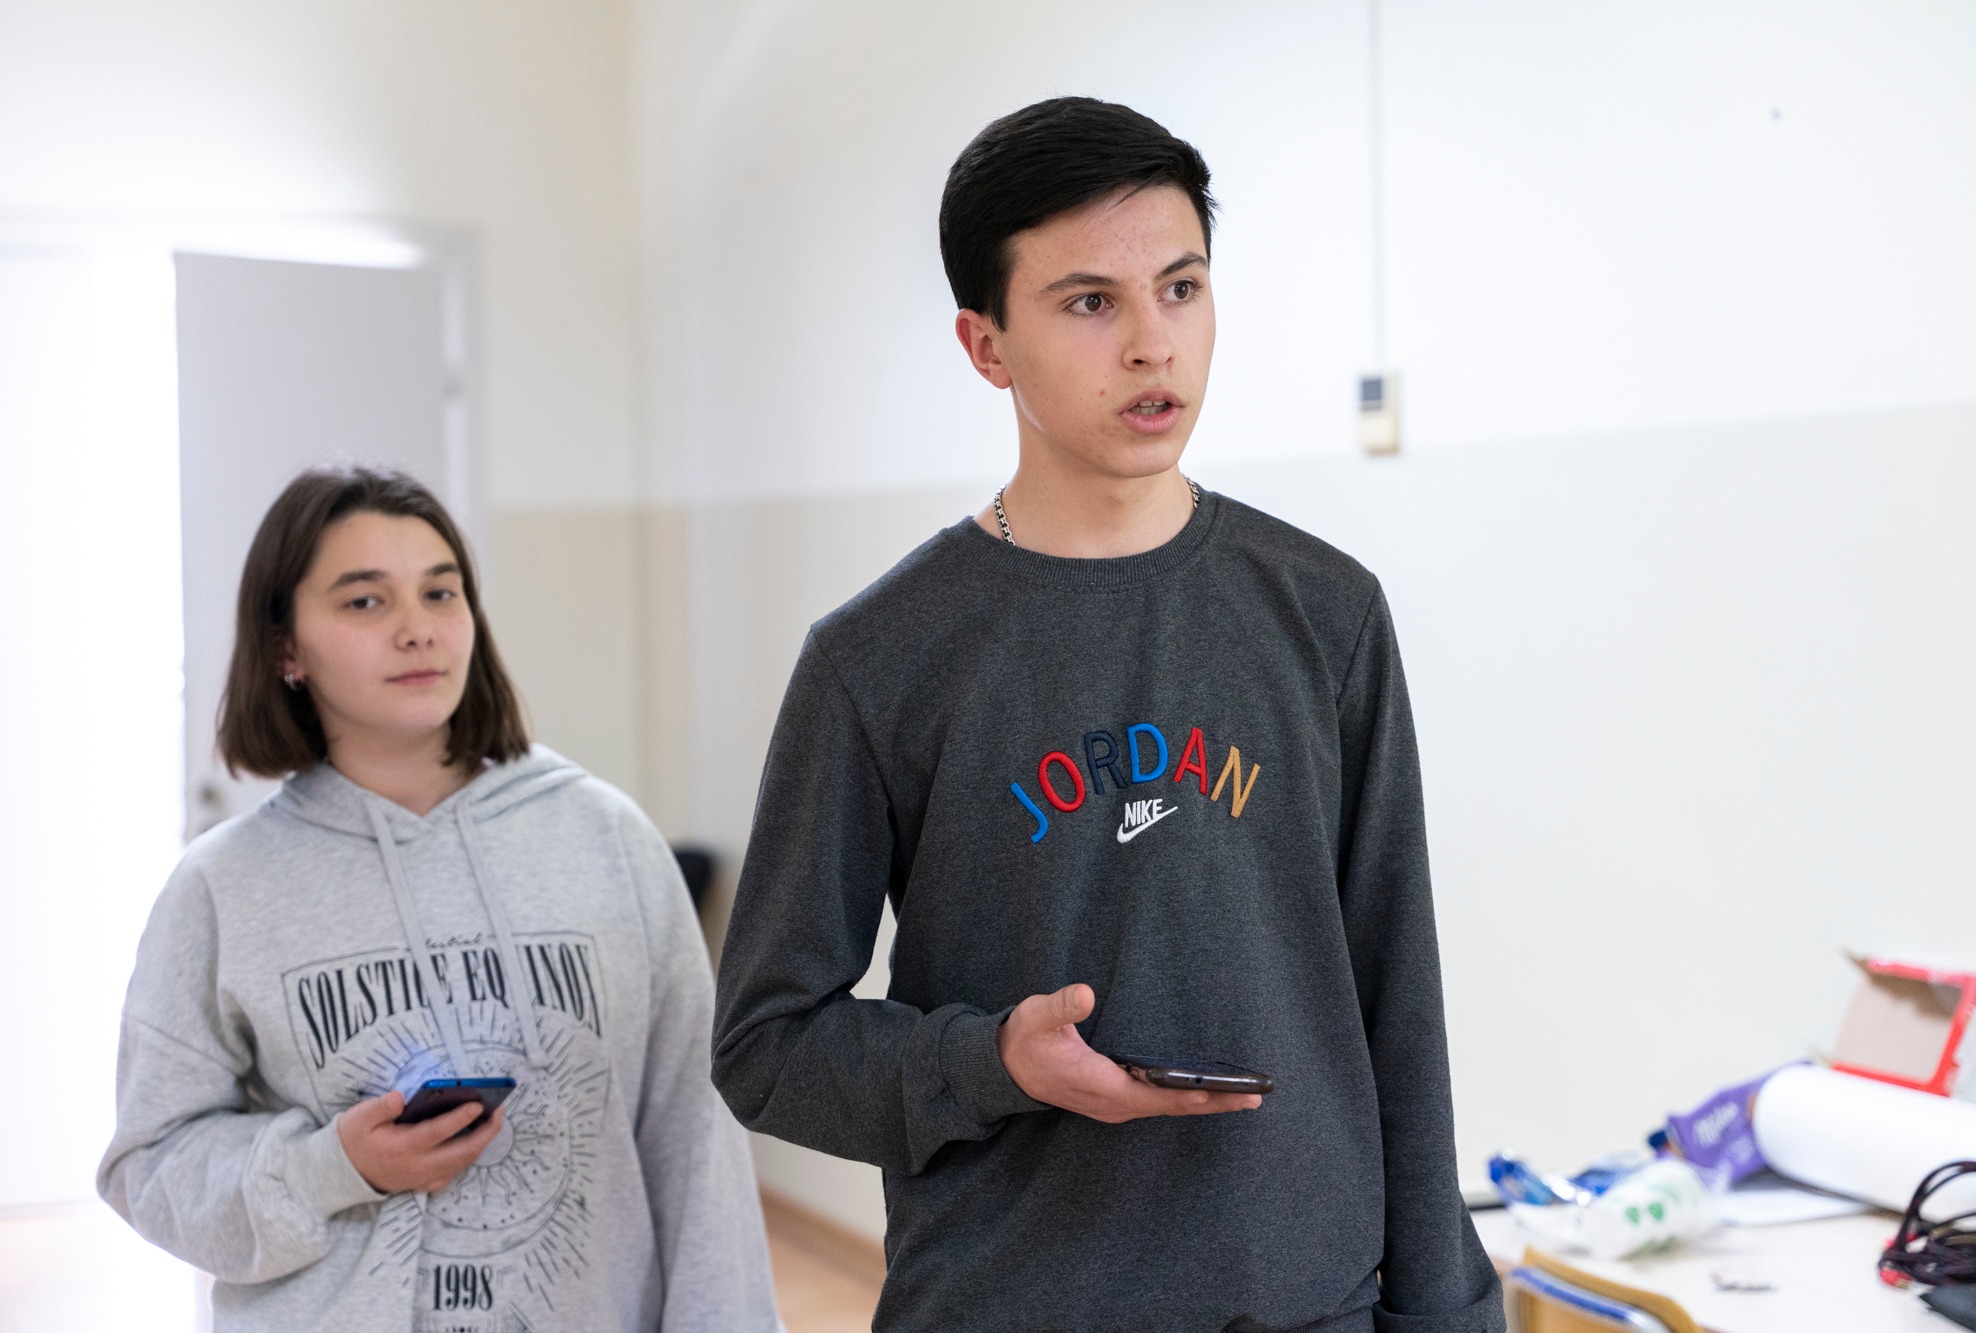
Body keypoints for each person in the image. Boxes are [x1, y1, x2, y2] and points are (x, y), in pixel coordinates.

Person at [711, 97, 1504, 1332]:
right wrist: (993, 1062)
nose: (1151, 345)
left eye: (1179, 289)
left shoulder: (1325, 611)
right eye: (1089, 302)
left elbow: (1396, 995)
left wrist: (1446, 1310)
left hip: (1305, 1305)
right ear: (985, 345)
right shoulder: (878, 659)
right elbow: (766, 1046)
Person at [100, 466, 778, 1332]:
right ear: (286, 650)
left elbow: (696, 1135)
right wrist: (333, 1166)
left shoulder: (608, 839)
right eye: (364, 601)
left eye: (440, 591)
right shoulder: (221, 886)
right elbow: (148, 1163)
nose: (418, 628)